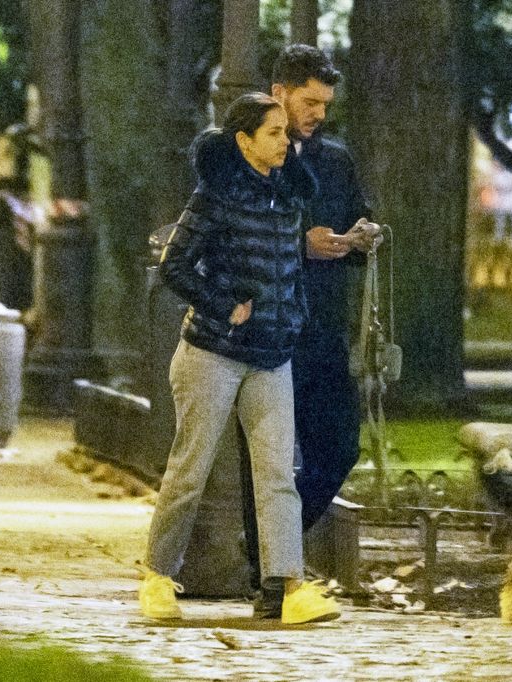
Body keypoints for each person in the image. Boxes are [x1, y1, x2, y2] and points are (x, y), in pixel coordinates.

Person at [139, 92, 340, 625]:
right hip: (213, 354)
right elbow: (173, 266)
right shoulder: (216, 195)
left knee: (278, 474)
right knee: (191, 469)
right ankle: (158, 579)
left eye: (284, 133)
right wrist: (225, 306)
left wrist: (291, 316)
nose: (285, 141)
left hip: (273, 355)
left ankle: (289, 587)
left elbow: (289, 267)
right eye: (273, 133)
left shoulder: (290, 196)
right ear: (244, 142)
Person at [243, 45, 378, 619]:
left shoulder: (336, 160)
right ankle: (271, 577)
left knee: (339, 446)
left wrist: (361, 238)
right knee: (270, 456)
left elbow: (355, 219)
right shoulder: (244, 153)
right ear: (280, 92)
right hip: (268, 325)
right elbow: (236, 237)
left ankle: (278, 554)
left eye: (326, 103)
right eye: (310, 101)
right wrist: (300, 246)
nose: (320, 112)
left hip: (323, 325)